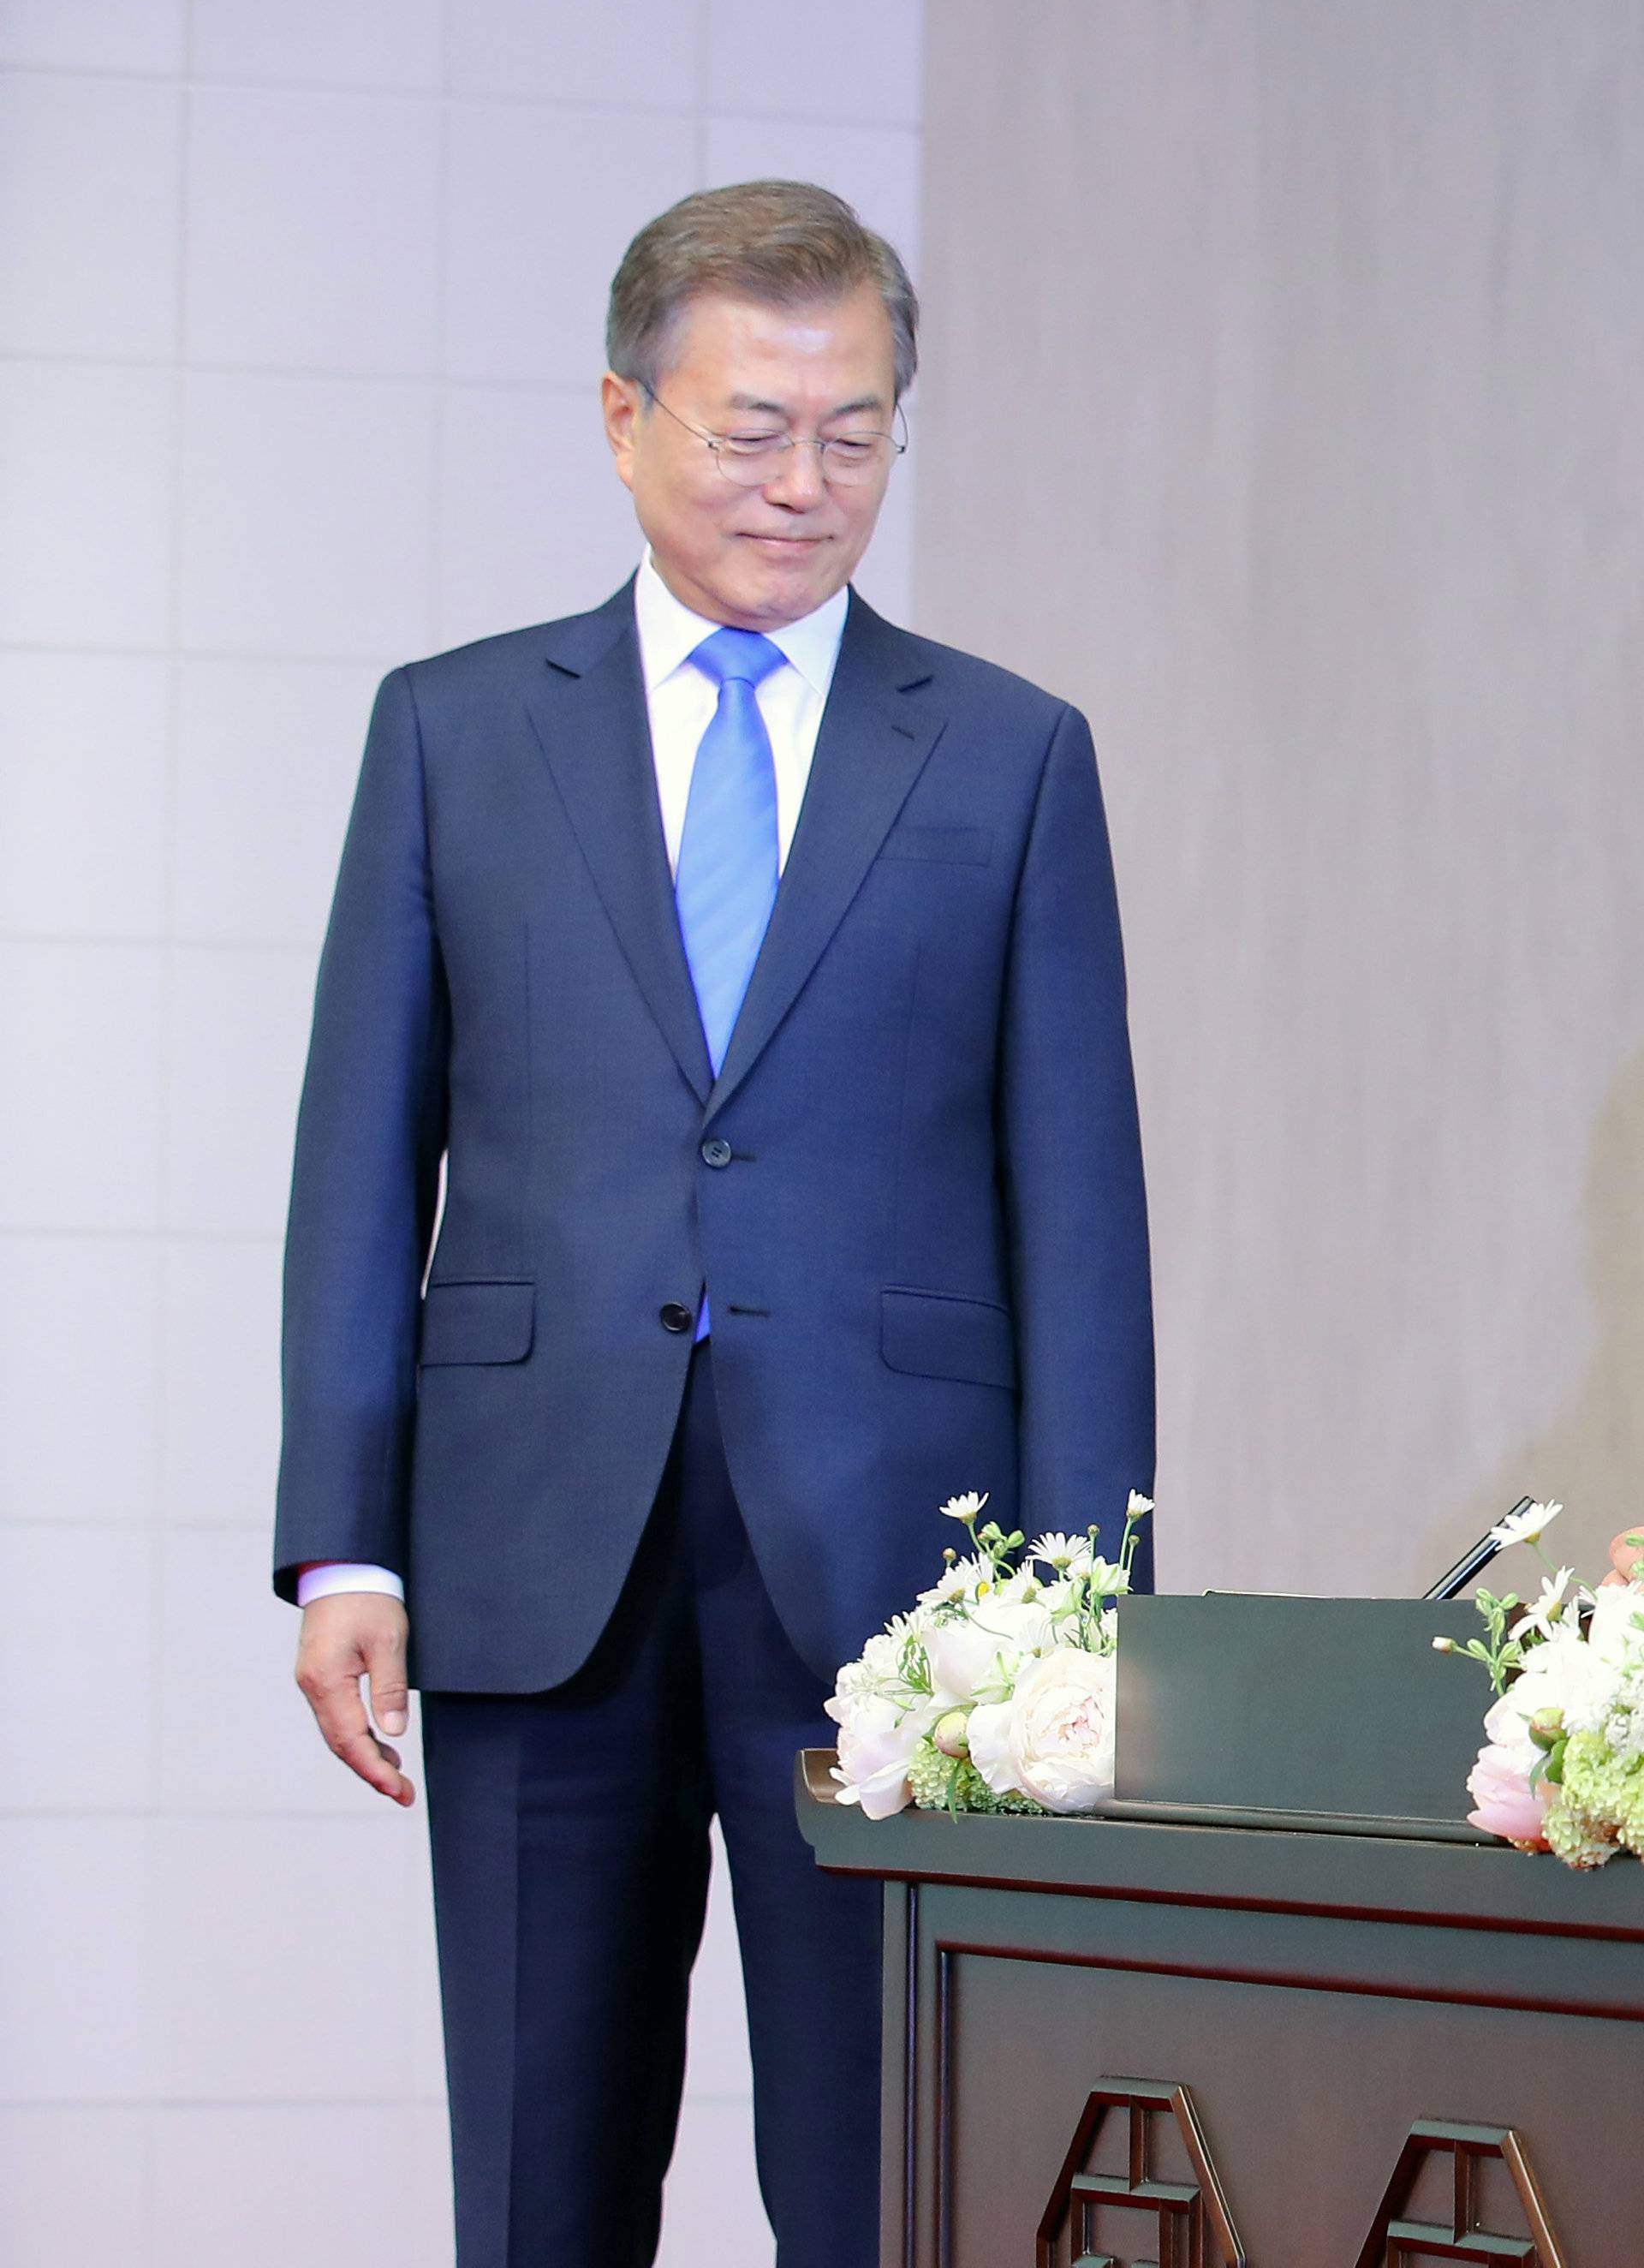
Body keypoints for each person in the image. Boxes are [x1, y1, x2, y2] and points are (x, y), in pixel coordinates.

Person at [273, 178, 1154, 2268]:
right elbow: (354, 1152)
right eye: (753, 427)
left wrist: (1078, 1602)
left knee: (880, 2180)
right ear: (620, 418)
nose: (806, 480)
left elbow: (1086, 1202)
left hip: (900, 1594)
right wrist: (349, 1536)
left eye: (855, 432)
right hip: (522, 1557)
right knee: (541, 2178)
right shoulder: (453, 732)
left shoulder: (1014, 757)